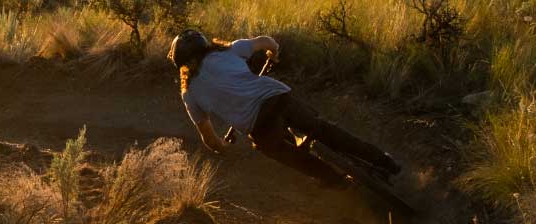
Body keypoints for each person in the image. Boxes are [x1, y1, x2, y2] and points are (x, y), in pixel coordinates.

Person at [170, 29, 402, 188]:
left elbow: (209, 139)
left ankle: (336, 182)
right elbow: (266, 42)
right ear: (205, 44)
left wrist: (223, 148)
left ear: (180, 64)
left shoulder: (189, 94)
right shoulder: (229, 50)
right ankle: (383, 160)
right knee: (324, 130)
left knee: (292, 157)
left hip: (259, 126)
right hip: (277, 97)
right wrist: (273, 54)